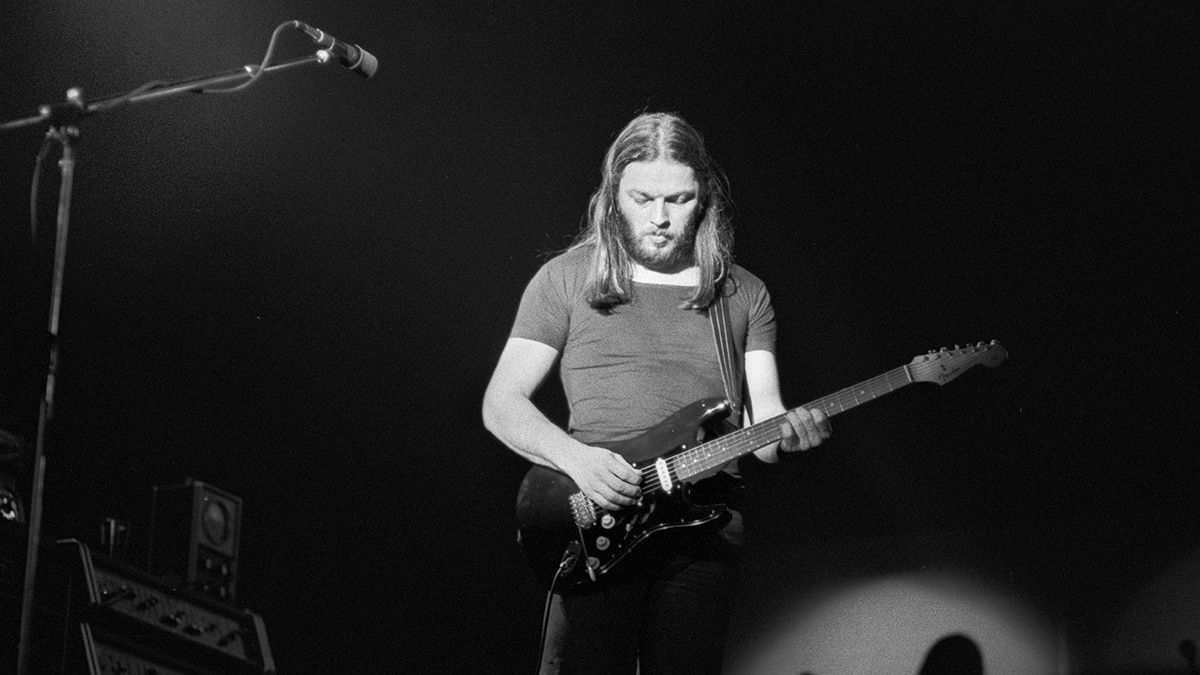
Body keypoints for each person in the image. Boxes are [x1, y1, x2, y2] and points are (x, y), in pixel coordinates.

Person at [482, 111, 831, 674]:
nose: (662, 218)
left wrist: (794, 433)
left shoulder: (743, 294)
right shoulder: (565, 279)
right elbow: (501, 404)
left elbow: (763, 431)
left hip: (706, 527)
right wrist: (579, 461)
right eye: (642, 198)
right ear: (612, 195)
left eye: (679, 200)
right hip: (602, 512)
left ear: (705, 198)